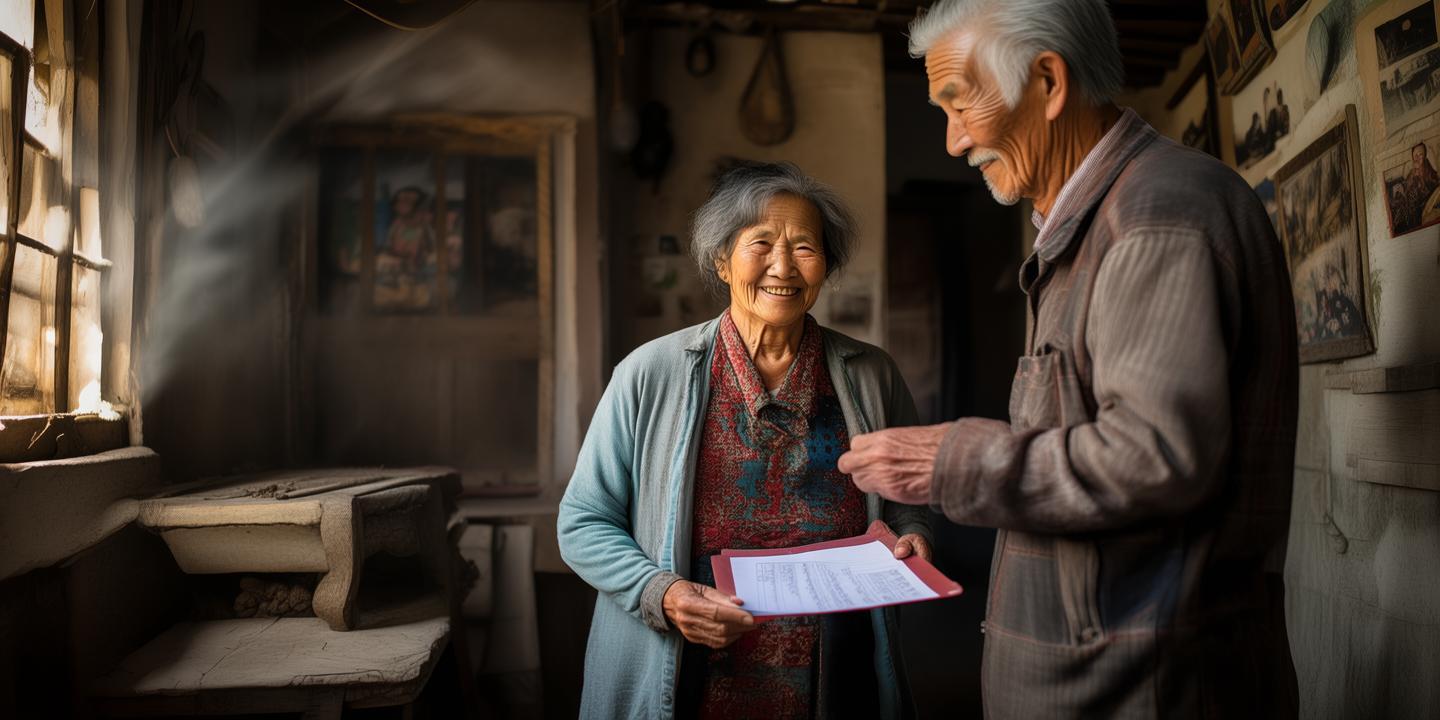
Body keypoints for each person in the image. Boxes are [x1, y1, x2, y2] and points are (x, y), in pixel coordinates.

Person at [838, 1, 1300, 717]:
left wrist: (949, 460)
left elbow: (1153, 457)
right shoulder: (1090, 222)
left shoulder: (1157, 214)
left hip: (1141, 690)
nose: (954, 142)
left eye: (960, 105)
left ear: (1049, 83)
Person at [559, 162, 932, 719]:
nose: (783, 266)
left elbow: (908, 500)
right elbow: (583, 521)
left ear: (826, 266)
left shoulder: (872, 374)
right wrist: (664, 593)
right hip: (690, 667)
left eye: (805, 247)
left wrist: (914, 534)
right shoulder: (650, 373)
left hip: (836, 670)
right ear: (721, 260)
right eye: (761, 244)